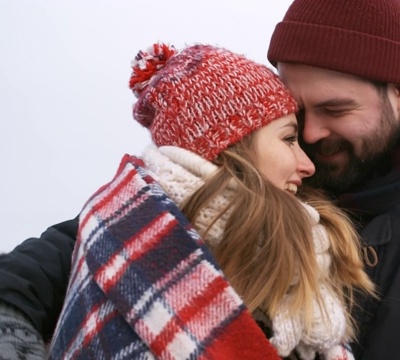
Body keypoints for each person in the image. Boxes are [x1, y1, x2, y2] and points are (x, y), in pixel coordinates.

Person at [0, 0, 400, 359]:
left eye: (335, 111)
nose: (309, 137)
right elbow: (69, 258)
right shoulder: (256, 178)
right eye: (292, 113)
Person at [45, 42, 374, 359]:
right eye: (288, 138)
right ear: (228, 150)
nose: (309, 165)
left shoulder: (288, 250)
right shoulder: (140, 255)